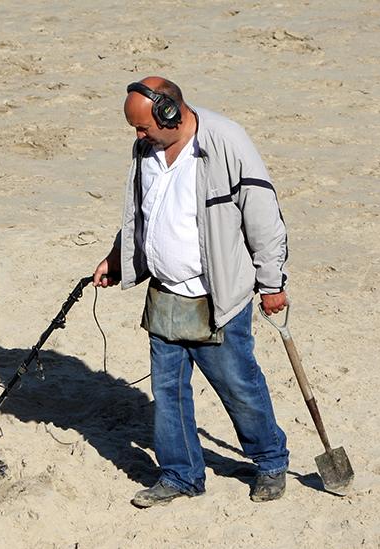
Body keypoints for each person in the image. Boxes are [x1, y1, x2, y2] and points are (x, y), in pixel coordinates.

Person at [93, 76, 290, 508]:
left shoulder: (225, 141)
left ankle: (271, 461)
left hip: (216, 296)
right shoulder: (147, 149)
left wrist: (271, 282)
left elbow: (262, 214)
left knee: (237, 384)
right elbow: (142, 213)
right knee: (168, 392)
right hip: (165, 292)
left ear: (170, 112)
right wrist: (117, 257)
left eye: (143, 127)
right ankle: (181, 475)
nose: (138, 136)